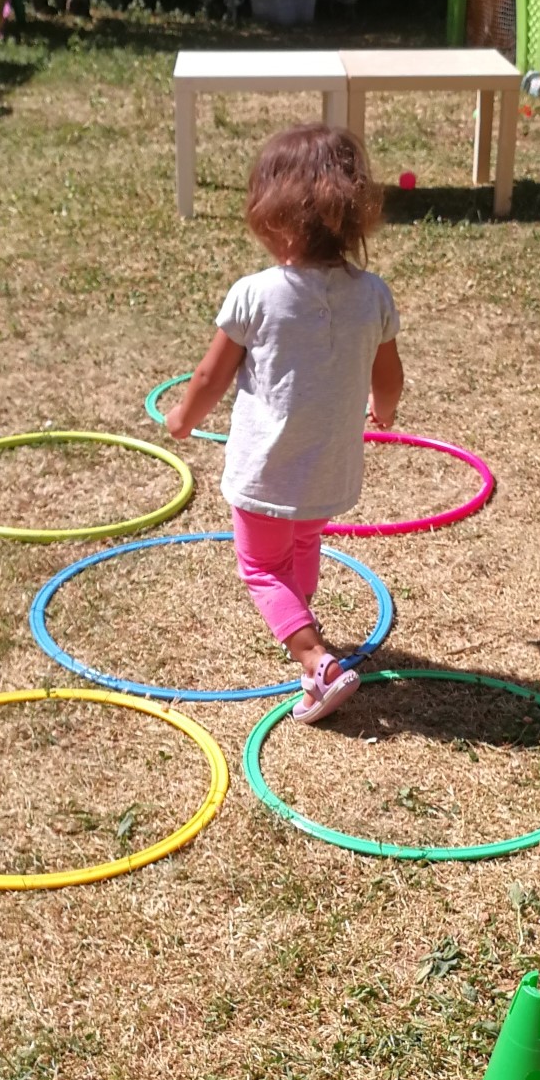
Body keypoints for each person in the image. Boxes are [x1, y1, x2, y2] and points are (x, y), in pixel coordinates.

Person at [168, 124, 403, 723]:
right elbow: (390, 377)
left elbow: (209, 377)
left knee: (261, 567)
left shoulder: (255, 294)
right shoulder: (372, 294)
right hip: (328, 473)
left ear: (275, 217)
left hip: (267, 473)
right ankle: (307, 630)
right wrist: (385, 411)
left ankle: (317, 662)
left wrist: (182, 419)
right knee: (301, 542)